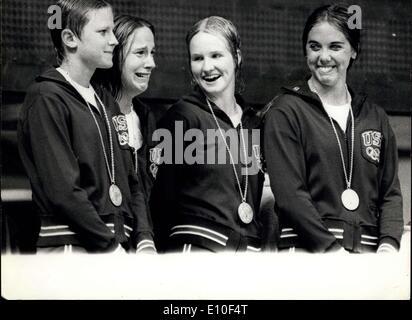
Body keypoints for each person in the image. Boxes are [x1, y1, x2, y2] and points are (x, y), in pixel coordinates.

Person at [17, 0, 155, 253]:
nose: (114, 40)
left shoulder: (107, 103)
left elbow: (132, 182)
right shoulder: (46, 97)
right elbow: (63, 191)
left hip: (116, 245)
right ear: (70, 38)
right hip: (73, 246)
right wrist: (109, 247)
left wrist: (145, 238)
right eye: (103, 32)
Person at [264, 4, 403, 253]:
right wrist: (332, 252)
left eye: (335, 46)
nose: (324, 57)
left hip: (368, 259)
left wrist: (389, 247)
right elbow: (290, 196)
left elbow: (390, 194)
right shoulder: (286, 111)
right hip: (309, 255)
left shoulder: (375, 117)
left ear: (354, 51)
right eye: (314, 46)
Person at [150, 16, 266, 253]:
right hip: (196, 254)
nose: (206, 67)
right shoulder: (182, 118)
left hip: (247, 259)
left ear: (237, 57)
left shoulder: (253, 123)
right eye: (198, 58)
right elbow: (160, 202)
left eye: (216, 55)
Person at [93, 15, 157, 203]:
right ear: (115, 53)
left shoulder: (147, 118)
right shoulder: (95, 112)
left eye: (152, 53)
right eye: (140, 53)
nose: (151, 63)